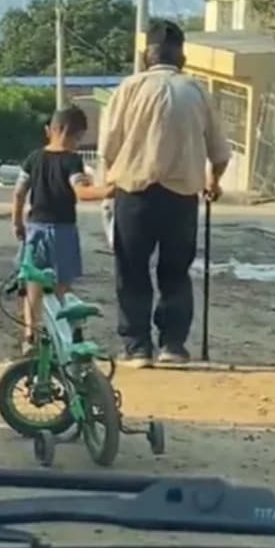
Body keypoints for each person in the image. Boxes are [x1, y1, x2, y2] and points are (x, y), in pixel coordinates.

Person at [98, 20, 232, 367]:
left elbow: (108, 147)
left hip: (135, 192)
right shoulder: (196, 90)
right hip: (182, 196)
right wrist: (213, 182)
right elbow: (219, 151)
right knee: (175, 270)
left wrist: (108, 188)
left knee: (132, 270)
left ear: (147, 55)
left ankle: (138, 347)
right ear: (182, 57)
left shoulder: (129, 89)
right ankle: (173, 344)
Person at [11, 104, 115, 356]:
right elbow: (81, 191)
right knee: (61, 288)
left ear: (50, 129)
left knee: (32, 285)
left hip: (34, 229)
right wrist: (110, 190)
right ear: (71, 132)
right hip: (62, 232)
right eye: (79, 138)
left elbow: (19, 193)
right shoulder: (71, 161)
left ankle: (30, 336)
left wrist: (17, 222)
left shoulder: (33, 158)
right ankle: (61, 336)